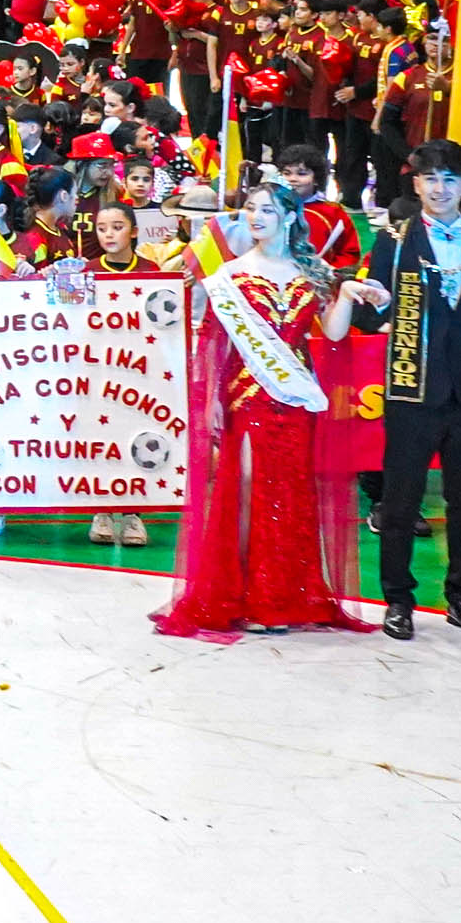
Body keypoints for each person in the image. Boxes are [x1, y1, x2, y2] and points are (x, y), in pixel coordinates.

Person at [157, 183, 366, 639]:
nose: (255, 217)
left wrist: (346, 294)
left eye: (267, 210)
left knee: (289, 488)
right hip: (245, 393)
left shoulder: (312, 272)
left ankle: (282, 593)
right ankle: (246, 591)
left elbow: (331, 333)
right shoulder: (231, 274)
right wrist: (211, 398)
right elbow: (215, 342)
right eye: (250, 208)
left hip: (293, 395)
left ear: (290, 218)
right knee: (248, 484)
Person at [350, 142, 461, 642]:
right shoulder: (394, 240)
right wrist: (381, 313)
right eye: (430, 179)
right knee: (401, 501)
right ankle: (398, 599)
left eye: (450, 179)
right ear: (417, 185)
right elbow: (370, 307)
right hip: (412, 388)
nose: (440, 189)